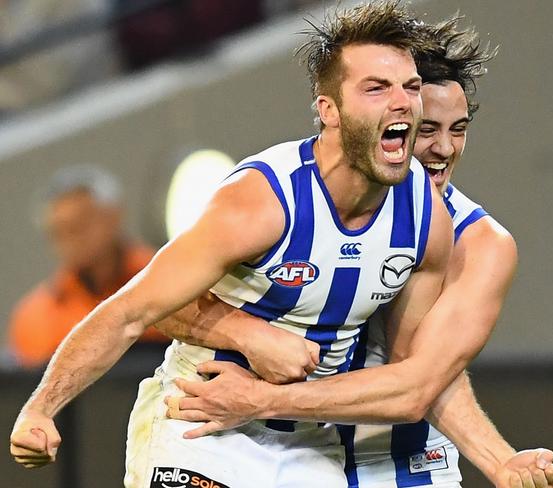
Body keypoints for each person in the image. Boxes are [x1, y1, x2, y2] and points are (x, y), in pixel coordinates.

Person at [10, 3, 454, 487]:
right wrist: (39, 409)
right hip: (201, 428)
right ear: (329, 110)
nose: (402, 103)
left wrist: (266, 400)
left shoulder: (426, 219)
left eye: (410, 88)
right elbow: (135, 309)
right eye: (376, 88)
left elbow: (410, 386)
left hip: (311, 446)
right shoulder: (262, 200)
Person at [158, 16, 553, 488]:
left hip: (403, 460)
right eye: (426, 127)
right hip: (288, 449)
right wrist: (249, 335)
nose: (443, 148)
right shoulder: (300, 198)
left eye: (459, 128)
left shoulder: (479, 243)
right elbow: (159, 300)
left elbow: (426, 374)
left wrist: (498, 461)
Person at [6, 165, 168, 369]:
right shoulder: (34, 317)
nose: (70, 242)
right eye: (59, 233)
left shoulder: (169, 279)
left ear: (113, 217)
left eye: (80, 225)